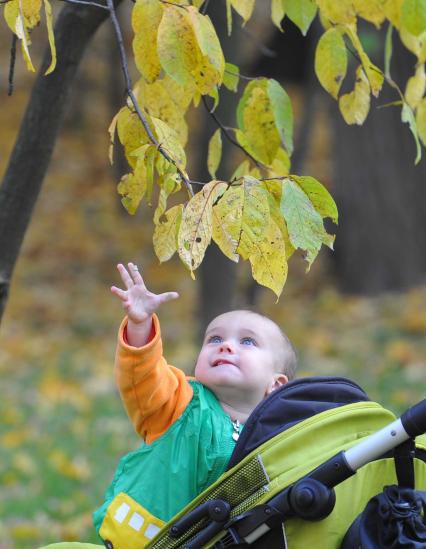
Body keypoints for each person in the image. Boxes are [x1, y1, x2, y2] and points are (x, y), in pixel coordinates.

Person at [93, 262, 297, 547]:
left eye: (248, 341)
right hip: (144, 539)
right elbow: (143, 376)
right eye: (214, 338)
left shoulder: (276, 439)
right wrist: (140, 325)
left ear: (276, 384)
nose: (225, 346)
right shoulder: (181, 400)